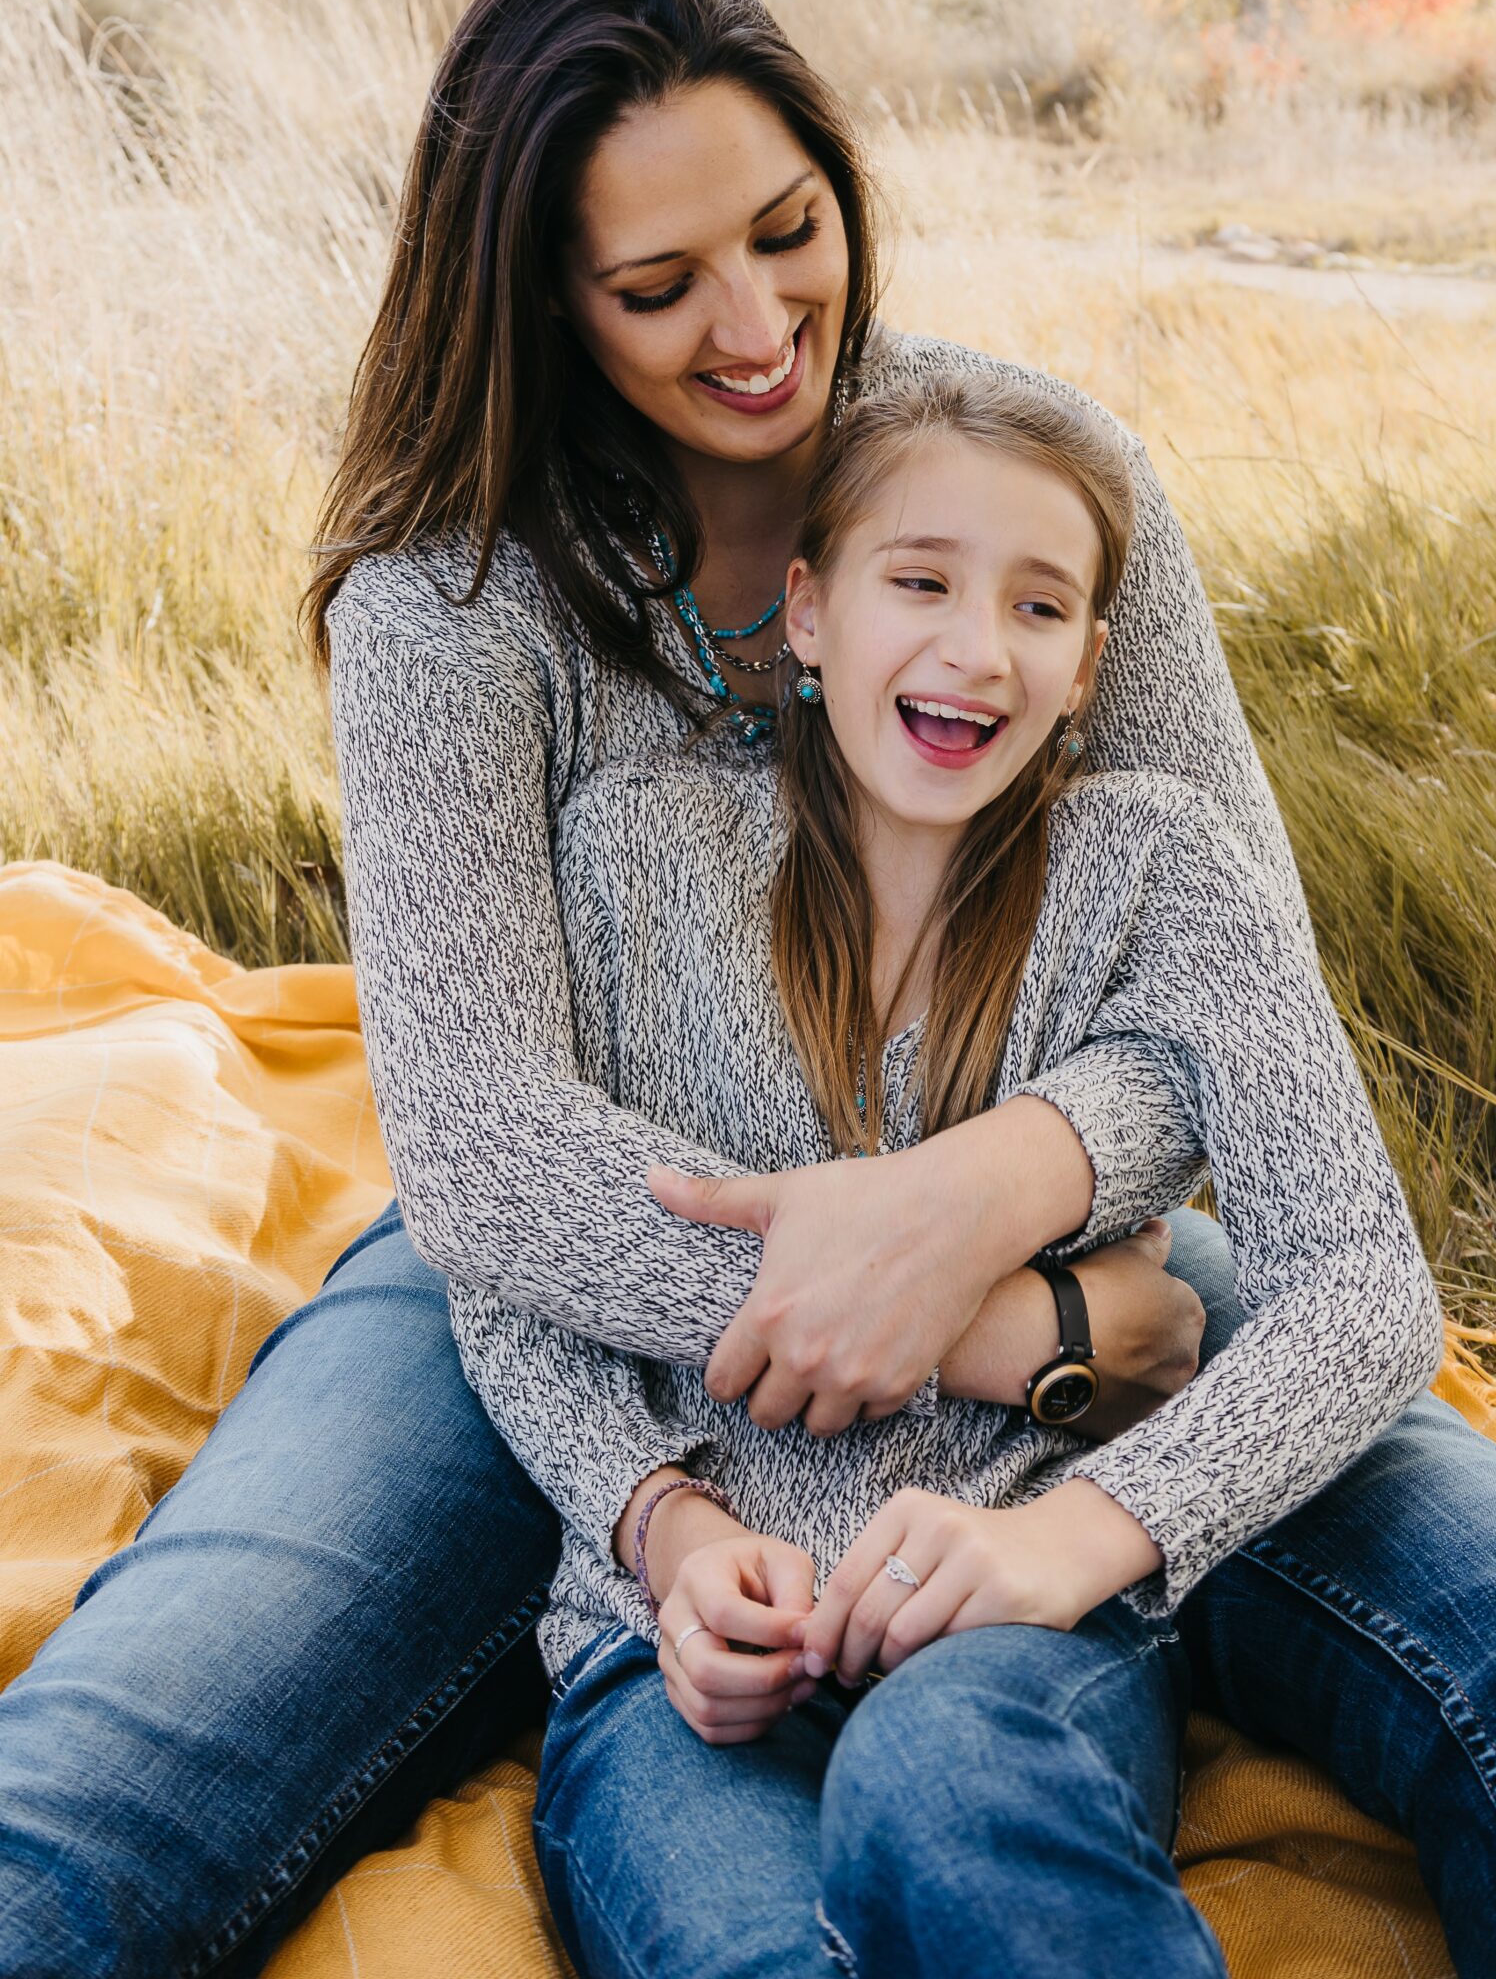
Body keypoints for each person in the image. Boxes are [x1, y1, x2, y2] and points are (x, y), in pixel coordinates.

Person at [1, 0, 1496, 1977]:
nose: (754, 322)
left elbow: (1212, 962)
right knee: (118, 1782)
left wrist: (992, 1198)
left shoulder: (1024, 475)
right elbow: (483, 1153)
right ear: (542, 297)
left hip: (1056, 1213)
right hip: (576, 1274)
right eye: (656, 286)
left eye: (787, 230)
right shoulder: (451, 599)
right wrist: (966, 1320)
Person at [448, 363, 1444, 1976]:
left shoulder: (1161, 866)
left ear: (1089, 663)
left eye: (1039, 607)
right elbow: (523, 1281)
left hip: (1016, 1618)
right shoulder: (630, 854)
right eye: (920, 582)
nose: (977, 648)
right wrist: (666, 1534)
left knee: (958, 1811)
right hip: (672, 1652)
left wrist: (1081, 1534)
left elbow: (1368, 1294)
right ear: (810, 610)